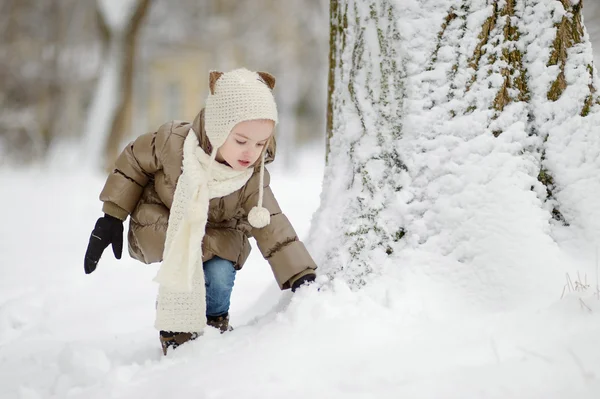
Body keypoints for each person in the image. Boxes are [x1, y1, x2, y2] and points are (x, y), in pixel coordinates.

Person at [83, 68, 317, 355]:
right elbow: (133, 160)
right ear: (218, 128)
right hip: (171, 226)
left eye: (260, 143)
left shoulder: (251, 178)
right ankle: (176, 329)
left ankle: (214, 322)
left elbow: (272, 224)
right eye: (241, 141)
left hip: (220, 236)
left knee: (218, 277)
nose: (250, 152)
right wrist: (112, 215)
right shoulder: (173, 144)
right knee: (184, 269)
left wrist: (300, 273)